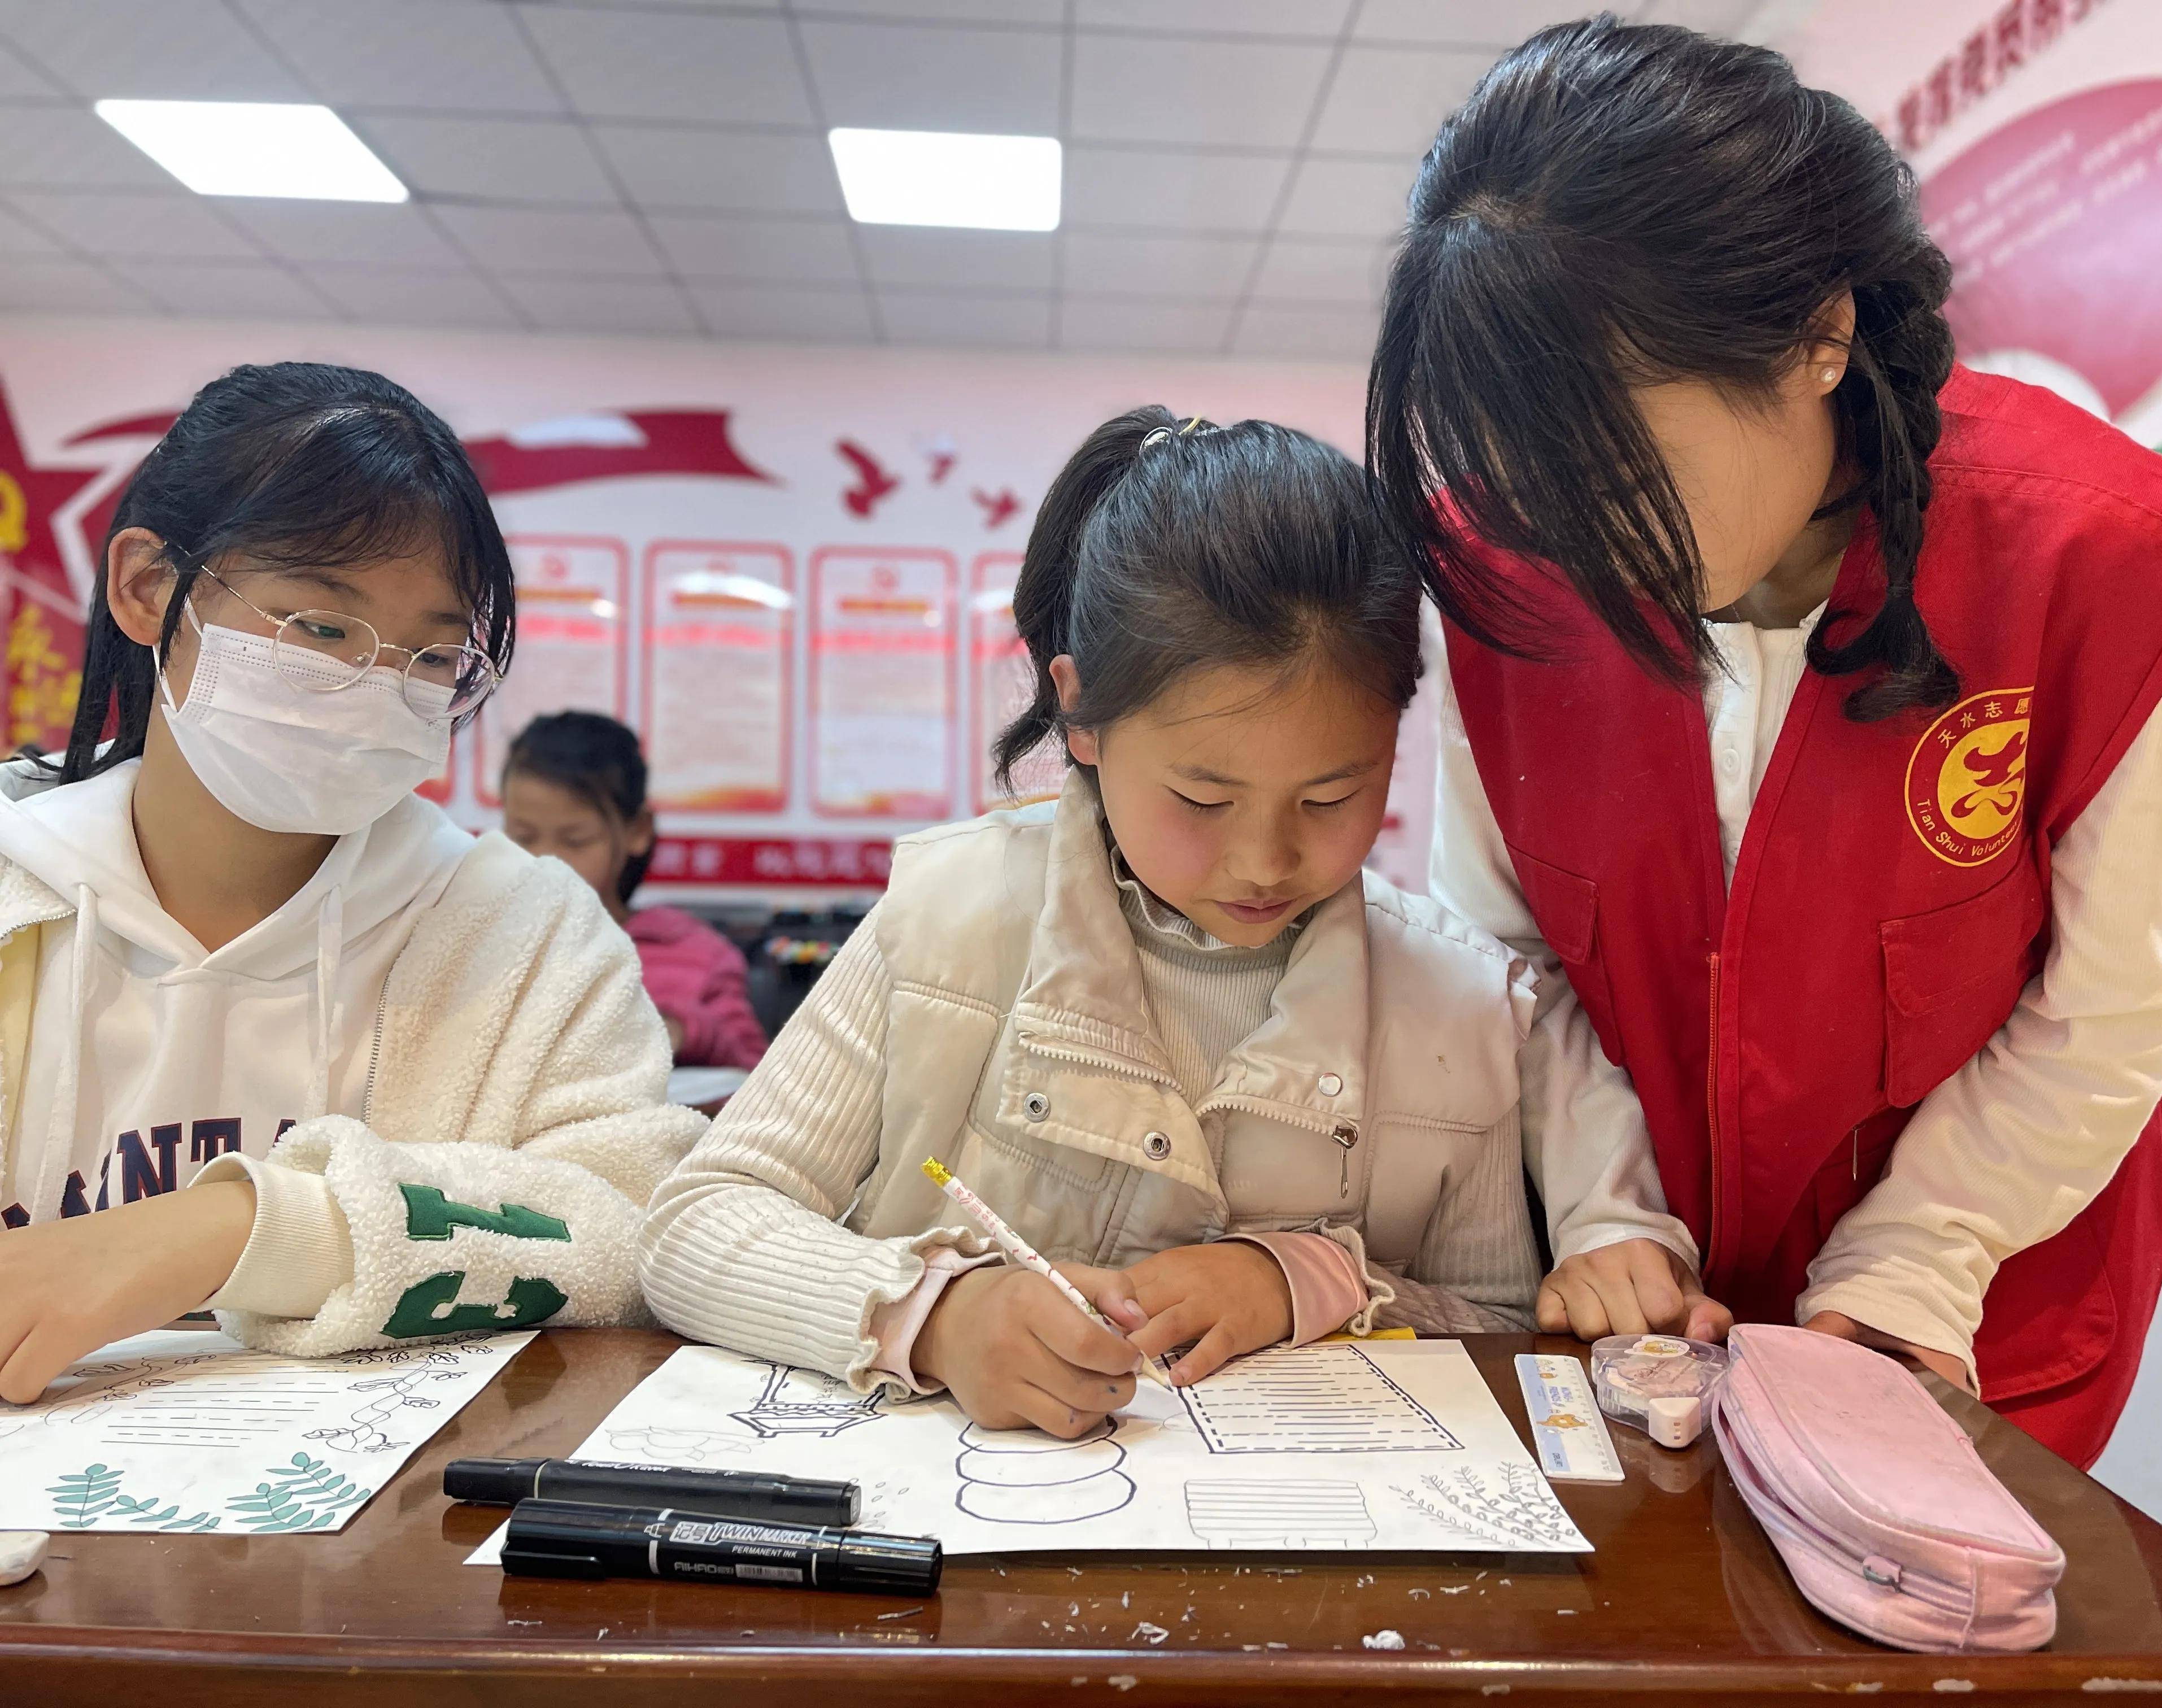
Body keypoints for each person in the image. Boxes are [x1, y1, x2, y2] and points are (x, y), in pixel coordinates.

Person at [1366, 18, 2162, 1466]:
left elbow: (2102, 1013)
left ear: (1818, 339)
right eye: (1524, 472)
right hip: (1626, 1326)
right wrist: (1611, 1211)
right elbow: (1510, 963)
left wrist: (1917, 1259)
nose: (1580, 546)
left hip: (1957, 1320)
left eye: (1616, 469)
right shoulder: (1508, 567)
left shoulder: (2109, 565)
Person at [641, 406, 1723, 1440]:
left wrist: (1300, 1279)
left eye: (1330, 797)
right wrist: (934, 1311)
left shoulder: (1457, 1004)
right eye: (1203, 800)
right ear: (1083, 714)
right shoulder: (949, 921)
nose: (1263, 859)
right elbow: (695, 1225)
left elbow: (1494, 1322)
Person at [0, 361, 705, 1400]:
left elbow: (636, 1223)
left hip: (386, 1536)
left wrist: (241, 1225)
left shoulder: (527, 933)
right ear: (148, 586)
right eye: (320, 627)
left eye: (430, 654)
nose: (372, 689)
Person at [501, 711, 768, 1071]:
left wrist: (683, 1033)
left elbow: (758, 1078)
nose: (546, 859)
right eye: (523, 837)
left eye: (575, 840)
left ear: (638, 830)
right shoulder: (492, 943)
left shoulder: (697, 956)